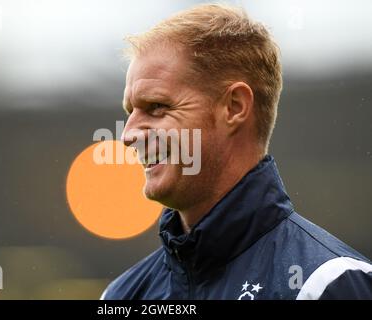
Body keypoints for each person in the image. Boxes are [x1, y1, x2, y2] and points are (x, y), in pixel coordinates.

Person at [101, 4, 372, 300]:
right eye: (130, 111)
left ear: (234, 107)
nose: (127, 135)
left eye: (157, 107)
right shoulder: (122, 296)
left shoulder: (328, 284)